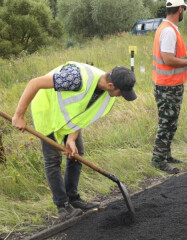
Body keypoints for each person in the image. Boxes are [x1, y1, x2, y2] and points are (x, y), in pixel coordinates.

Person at [12, 62, 137, 221]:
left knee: (76, 154)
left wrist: (71, 138)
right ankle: (62, 206)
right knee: (53, 159)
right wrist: (19, 115)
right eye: (121, 92)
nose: (121, 96)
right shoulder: (75, 78)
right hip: (48, 111)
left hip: (67, 117)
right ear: (111, 84)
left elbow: (82, 114)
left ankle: (73, 199)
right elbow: (35, 83)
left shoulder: (106, 92)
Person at [151, 0, 187, 174]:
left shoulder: (167, 28)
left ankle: (166, 154)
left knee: (171, 123)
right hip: (168, 86)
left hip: (170, 84)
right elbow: (167, 59)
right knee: (167, 123)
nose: (184, 14)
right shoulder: (168, 31)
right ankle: (158, 160)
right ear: (180, 10)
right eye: (184, 11)